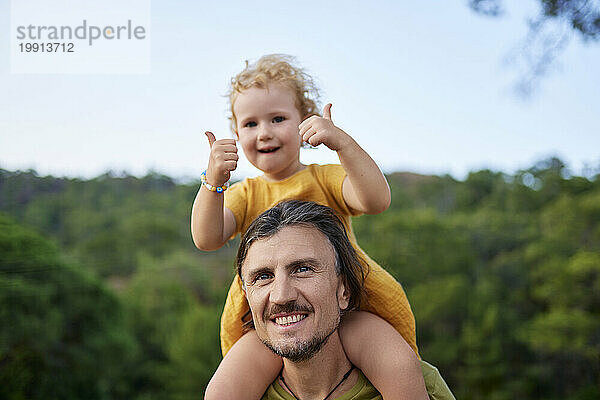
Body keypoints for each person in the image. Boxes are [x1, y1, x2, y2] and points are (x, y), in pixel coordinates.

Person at [192, 54, 418, 399]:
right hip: (273, 320)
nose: (264, 132)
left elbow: (376, 200)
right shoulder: (245, 193)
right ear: (236, 133)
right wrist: (213, 183)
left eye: (278, 118)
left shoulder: (324, 178)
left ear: (304, 122)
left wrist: (342, 143)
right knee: (224, 389)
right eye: (250, 124)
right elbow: (206, 238)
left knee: (398, 366)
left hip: (347, 307)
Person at [206, 200, 455, 400]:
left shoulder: (419, 385)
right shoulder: (240, 387)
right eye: (263, 276)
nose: (282, 296)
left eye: (303, 269)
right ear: (247, 297)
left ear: (344, 291)